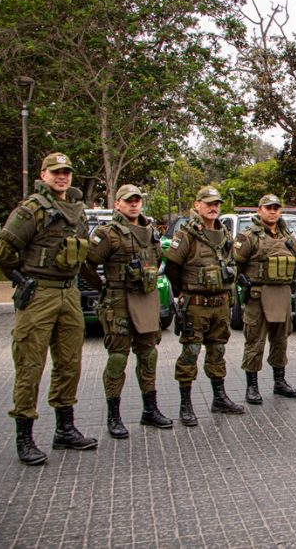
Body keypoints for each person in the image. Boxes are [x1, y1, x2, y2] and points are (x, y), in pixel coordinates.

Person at [0, 152, 97, 465]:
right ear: (44, 174)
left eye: (66, 172)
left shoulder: (77, 210)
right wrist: (22, 280)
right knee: (30, 366)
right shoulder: (32, 209)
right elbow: (2, 253)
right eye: (56, 172)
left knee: (69, 364)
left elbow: (79, 253)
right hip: (39, 294)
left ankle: (65, 430)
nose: (62, 177)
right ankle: (24, 437)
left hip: (69, 293)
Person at [83, 184, 172, 438]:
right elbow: (87, 264)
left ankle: (150, 410)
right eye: (128, 200)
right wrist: (103, 287)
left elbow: (158, 260)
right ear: (118, 204)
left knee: (148, 355)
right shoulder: (108, 233)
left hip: (146, 299)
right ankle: (114, 415)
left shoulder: (150, 232)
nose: (134, 204)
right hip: (119, 301)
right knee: (118, 357)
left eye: (137, 200)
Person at [163, 186, 244, 425]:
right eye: (208, 203)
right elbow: (172, 268)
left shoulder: (224, 234)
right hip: (196, 305)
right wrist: (185, 292)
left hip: (220, 304)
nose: (213, 207)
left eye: (216, 204)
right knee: (190, 353)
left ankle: (219, 398)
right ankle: (185, 404)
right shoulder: (186, 234)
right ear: (197, 205)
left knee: (217, 351)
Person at [233, 194, 296, 404]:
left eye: (276, 208)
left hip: (281, 295)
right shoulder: (248, 236)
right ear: (259, 210)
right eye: (268, 208)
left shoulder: (287, 236)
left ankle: (279, 382)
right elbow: (234, 265)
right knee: (255, 341)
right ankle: (252, 386)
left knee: (280, 341)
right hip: (257, 296)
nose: (272, 212)